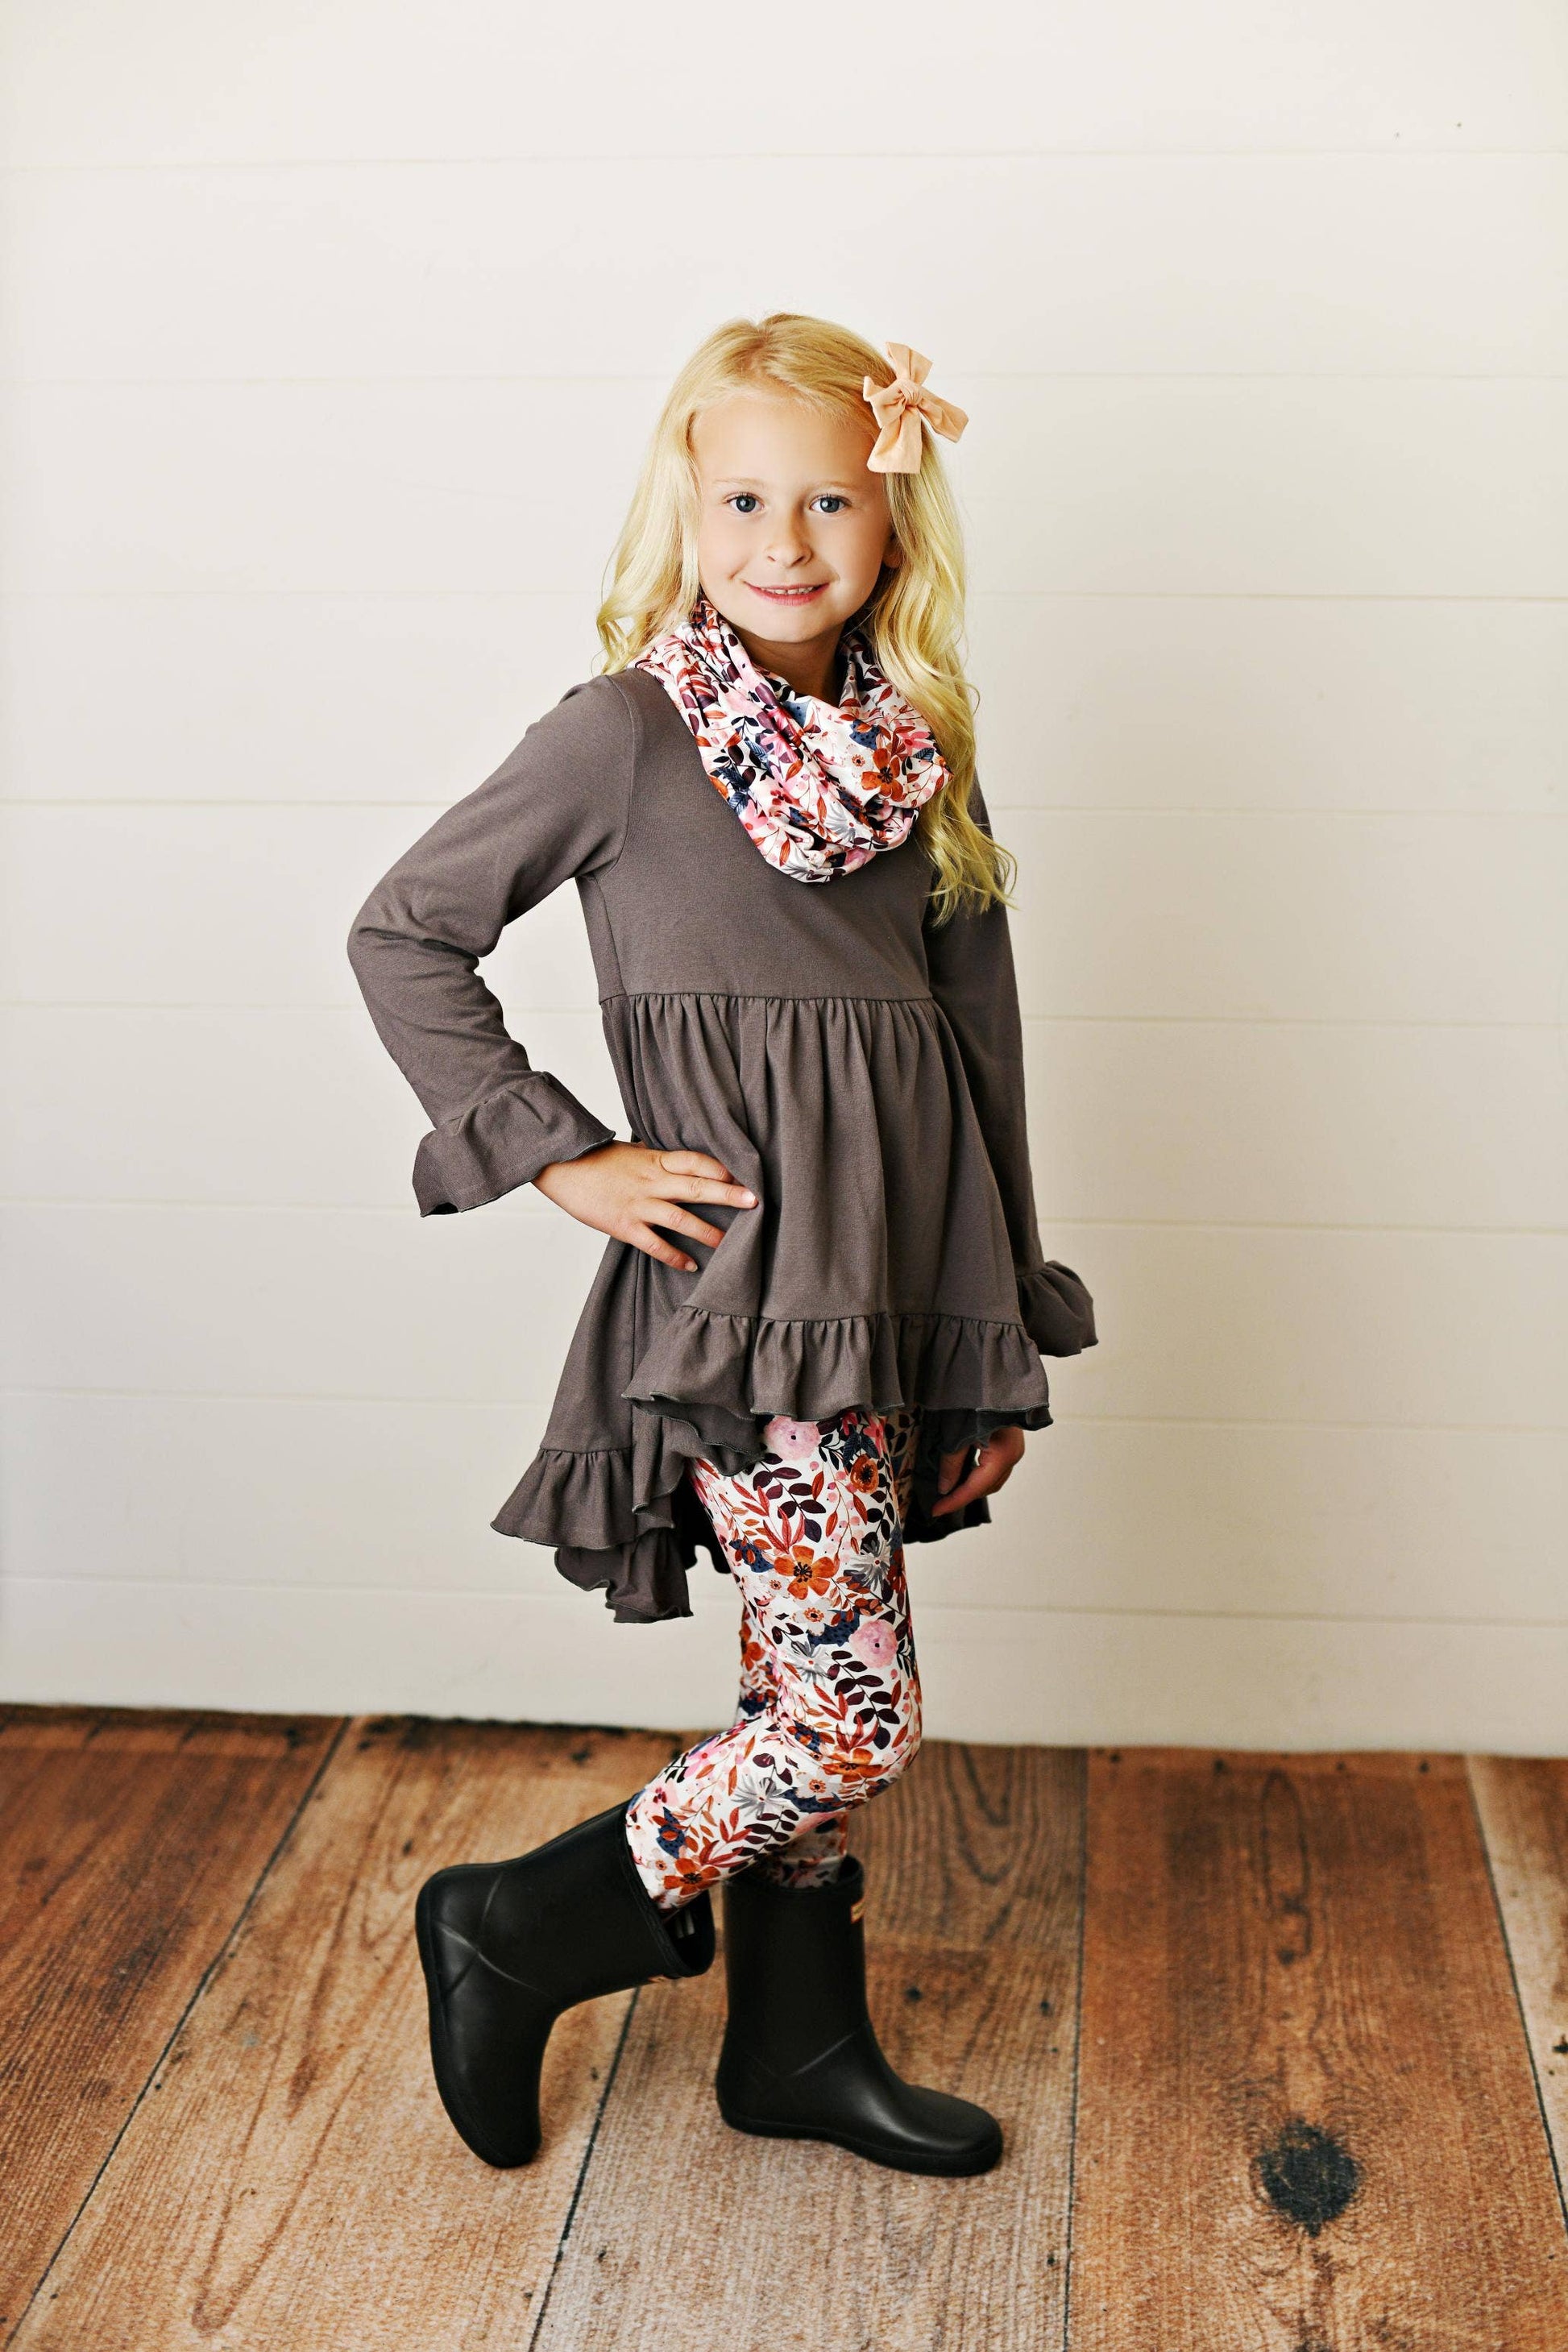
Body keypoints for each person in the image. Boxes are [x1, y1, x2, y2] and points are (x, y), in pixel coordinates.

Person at [347, 313, 1097, 2179]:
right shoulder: (623, 733)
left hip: (901, 1288)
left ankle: (791, 2042)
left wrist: (995, 1330)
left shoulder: (919, 749)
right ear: (684, 510)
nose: (786, 535)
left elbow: (973, 1052)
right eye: (745, 495)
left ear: (895, 521)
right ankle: (514, 1921)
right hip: (744, 1305)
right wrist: (561, 1155)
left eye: (831, 496)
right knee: (853, 1717)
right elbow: (403, 931)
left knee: (798, 1685)